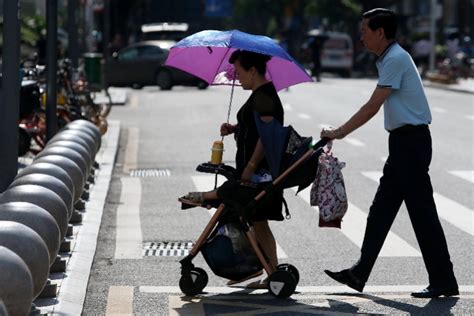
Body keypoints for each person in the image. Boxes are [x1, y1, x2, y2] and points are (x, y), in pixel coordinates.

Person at [320, 8, 458, 299]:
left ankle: (444, 279)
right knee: (381, 211)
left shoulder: (394, 59)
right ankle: (360, 273)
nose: (361, 38)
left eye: (365, 32)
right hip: (404, 144)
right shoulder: (389, 58)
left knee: (422, 215)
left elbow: (372, 107)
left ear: (380, 32)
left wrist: (339, 132)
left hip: (411, 144)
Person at [181, 50, 285, 289]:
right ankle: (271, 271)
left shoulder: (264, 96)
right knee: (258, 222)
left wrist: (249, 167)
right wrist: (235, 128)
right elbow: (255, 126)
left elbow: (267, 136)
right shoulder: (260, 95)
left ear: (252, 70)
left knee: (246, 207)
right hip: (256, 171)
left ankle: (201, 197)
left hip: (260, 174)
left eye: (239, 72)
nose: (237, 77)